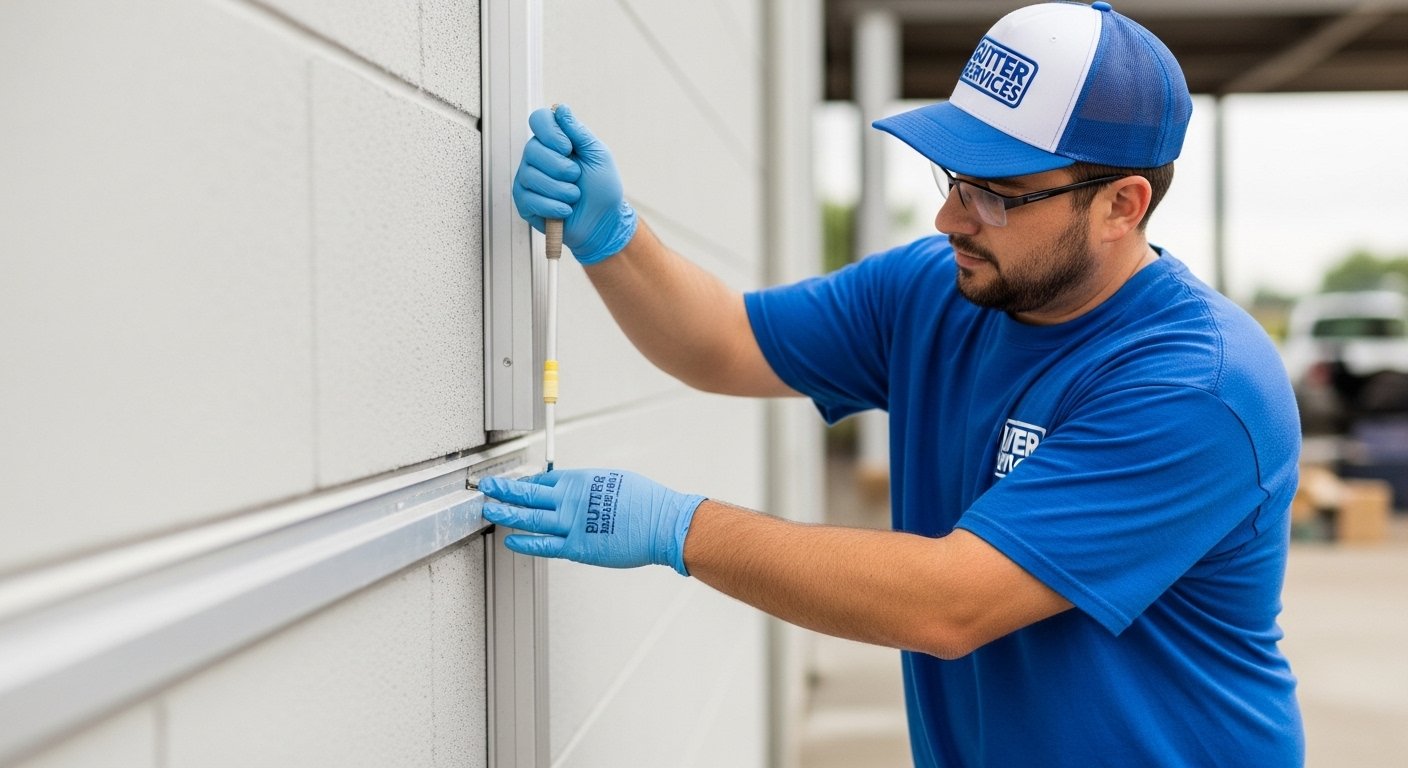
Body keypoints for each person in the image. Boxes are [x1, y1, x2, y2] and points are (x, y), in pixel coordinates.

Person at [481, 1, 1305, 764]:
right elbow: (725, 343)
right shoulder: (935, 289)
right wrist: (610, 236)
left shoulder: (1198, 385)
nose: (951, 218)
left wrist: (677, 528)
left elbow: (949, 603)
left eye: (996, 194)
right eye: (953, 178)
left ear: (1122, 205)